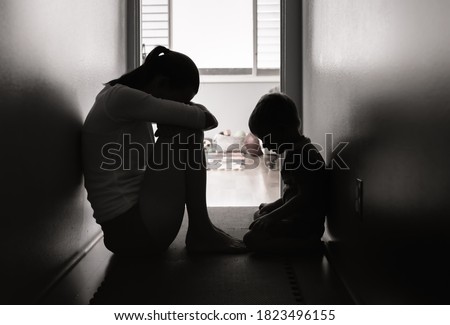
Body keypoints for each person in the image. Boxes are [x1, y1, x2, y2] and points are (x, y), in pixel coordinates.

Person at [82, 46, 246, 256]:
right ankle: (201, 230)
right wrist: (190, 112)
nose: (182, 106)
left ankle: (202, 229)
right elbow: (206, 120)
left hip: (132, 229)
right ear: (161, 83)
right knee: (184, 131)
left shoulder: (117, 98)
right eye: (181, 101)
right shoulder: (121, 98)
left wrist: (185, 112)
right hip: (133, 232)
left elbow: (203, 119)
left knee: (185, 130)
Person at [243, 93, 327, 254]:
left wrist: (273, 216)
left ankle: (307, 246)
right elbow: (292, 193)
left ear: (283, 129)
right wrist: (273, 207)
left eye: (266, 138)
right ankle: (297, 242)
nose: (265, 145)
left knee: (251, 240)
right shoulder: (295, 151)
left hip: (305, 225)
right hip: (294, 217)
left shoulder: (305, 155)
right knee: (258, 215)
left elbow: (305, 197)